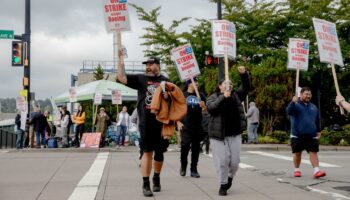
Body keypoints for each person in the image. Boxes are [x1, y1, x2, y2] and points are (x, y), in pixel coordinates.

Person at [117, 50, 170, 197]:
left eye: (151, 64)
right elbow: (121, 77)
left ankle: (156, 177)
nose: (147, 66)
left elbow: (174, 101)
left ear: (158, 65)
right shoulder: (140, 79)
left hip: (161, 123)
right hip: (145, 123)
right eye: (146, 64)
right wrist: (120, 59)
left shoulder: (166, 80)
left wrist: (167, 96)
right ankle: (146, 184)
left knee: (159, 153)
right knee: (147, 152)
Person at [207, 66, 250, 196]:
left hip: (235, 133)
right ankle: (223, 184)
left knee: (235, 162)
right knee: (222, 161)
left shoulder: (237, 95)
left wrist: (243, 75)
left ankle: (230, 177)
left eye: (230, 84)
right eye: (226, 84)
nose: (229, 85)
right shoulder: (213, 97)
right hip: (218, 135)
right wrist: (223, 97)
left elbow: (246, 87)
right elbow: (211, 109)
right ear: (220, 86)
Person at [286, 87, 326, 179]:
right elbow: (289, 111)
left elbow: (317, 119)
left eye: (309, 94)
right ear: (301, 94)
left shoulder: (313, 107)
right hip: (297, 135)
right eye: (306, 94)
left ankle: (316, 171)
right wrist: (292, 102)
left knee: (314, 152)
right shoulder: (295, 105)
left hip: (311, 135)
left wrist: (318, 130)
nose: (308, 96)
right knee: (297, 153)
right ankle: (297, 170)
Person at [178, 77, 206, 178]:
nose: (197, 83)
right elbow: (176, 110)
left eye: (197, 81)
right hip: (186, 125)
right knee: (185, 146)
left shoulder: (201, 95)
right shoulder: (182, 95)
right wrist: (178, 121)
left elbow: (206, 111)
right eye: (194, 82)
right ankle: (183, 165)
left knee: (196, 148)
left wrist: (204, 106)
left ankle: (194, 169)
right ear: (189, 84)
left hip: (197, 125)